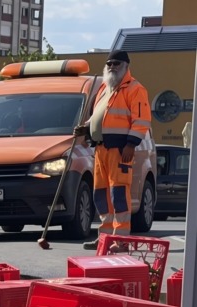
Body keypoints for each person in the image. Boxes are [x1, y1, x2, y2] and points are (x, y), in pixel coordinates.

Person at [74, 49, 150, 251]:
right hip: (100, 149)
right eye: (109, 63)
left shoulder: (135, 89)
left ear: (126, 66)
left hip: (120, 150)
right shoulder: (104, 89)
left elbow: (141, 121)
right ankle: (105, 238)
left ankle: (121, 240)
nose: (112, 67)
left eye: (116, 63)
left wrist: (131, 144)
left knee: (119, 194)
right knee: (101, 194)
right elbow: (98, 115)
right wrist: (86, 127)